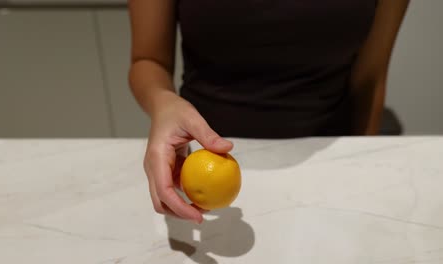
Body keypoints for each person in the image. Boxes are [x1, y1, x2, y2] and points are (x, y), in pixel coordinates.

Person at [127, 0, 409, 223]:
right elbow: (148, 60)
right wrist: (164, 102)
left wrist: (361, 167)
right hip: (200, 158)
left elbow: (370, 77)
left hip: (327, 164)